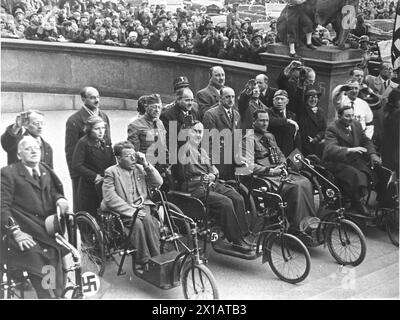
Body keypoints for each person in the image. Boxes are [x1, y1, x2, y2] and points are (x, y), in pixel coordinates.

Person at [1, 136, 70, 298]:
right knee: (39, 255)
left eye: (36, 148)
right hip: (22, 231)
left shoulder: (45, 169)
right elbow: (1, 206)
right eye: (28, 149)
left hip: (44, 229)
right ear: (19, 155)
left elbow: (52, 191)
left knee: (56, 253)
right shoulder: (8, 173)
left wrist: (59, 198)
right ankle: (48, 295)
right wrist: (16, 232)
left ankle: (54, 292)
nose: (33, 151)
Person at [178, 121, 252, 253]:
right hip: (195, 188)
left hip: (210, 184)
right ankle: (236, 240)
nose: (198, 135)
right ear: (188, 132)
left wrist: (212, 174)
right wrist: (206, 176)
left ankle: (243, 234)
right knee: (226, 202)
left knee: (237, 197)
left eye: (200, 132)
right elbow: (184, 175)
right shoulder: (184, 151)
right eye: (195, 131)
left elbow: (213, 170)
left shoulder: (202, 150)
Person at [240, 110, 319, 233]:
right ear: (254, 122)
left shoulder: (270, 136)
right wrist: (271, 171)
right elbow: (248, 166)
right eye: (261, 120)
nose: (265, 123)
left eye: (266, 120)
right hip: (265, 176)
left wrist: (283, 164)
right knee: (296, 187)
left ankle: (309, 224)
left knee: (305, 182)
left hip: (280, 171)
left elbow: (280, 153)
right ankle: (296, 228)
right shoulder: (248, 139)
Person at [101, 141, 162, 268]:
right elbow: (110, 198)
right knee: (137, 223)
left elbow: (158, 182)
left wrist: (146, 163)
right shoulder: (111, 172)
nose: (134, 159)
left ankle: (157, 258)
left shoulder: (140, 168)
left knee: (149, 221)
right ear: (118, 158)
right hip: (124, 211)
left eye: (135, 155)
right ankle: (143, 260)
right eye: (129, 156)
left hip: (142, 207)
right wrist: (131, 211)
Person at [323, 105, 381, 216]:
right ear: (339, 116)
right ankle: (357, 202)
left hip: (352, 160)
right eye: (347, 116)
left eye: (352, 115)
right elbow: (330, 149)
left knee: (369, 172)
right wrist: (350, 149)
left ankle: (360, 199)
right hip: (335, 162)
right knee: (355, 175)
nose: (351, 118)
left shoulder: (356, 125)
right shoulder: (332, 128)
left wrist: (372, 154)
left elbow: (366, 141)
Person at [65, 86, 111, 211]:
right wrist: (75, 176)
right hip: (84, 173)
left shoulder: (104, 116)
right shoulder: (74, 121)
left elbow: (108, 143)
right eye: (92, 98)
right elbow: (70, 152)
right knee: (85, 207)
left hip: (102, 170)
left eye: (98, 97)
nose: (97, 100)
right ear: (83, 99)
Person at [71, 115, 116, 216]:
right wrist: (95, 176)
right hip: (89, 186)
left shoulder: (106, 141)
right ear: (90, 129)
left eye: (103, 128)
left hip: (106, 182)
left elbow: (112, 159)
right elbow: (77, 165)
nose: (101, 131)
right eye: (97, 129)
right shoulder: (83, 143)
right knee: (92, 213)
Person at [203, 87, 241, 180]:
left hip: (233, 161)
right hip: (219, 161)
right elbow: (209, 142)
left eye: (233, 97)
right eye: (227, 97)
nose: (231, 100)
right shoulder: (211, 114)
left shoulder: (236, 114)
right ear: (220, 98)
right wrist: (211, 165)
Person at [127, 94, 167, 164]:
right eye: (153, 107)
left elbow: (163, 145)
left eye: (159, 107)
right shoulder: (135, 125)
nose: (157, 110)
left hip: (162, 164)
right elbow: (134, 151)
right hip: (145, 165)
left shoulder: (160, 123)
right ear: (146, 107)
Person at [267, 89, 302, 157]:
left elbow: (297, 137)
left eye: (282, 99)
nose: (279, 101)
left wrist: (298, 154)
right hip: (274, 152)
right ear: (273, 101)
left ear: (287, 101)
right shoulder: (268, 112)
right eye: (277, 99)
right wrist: (287, 121)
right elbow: (272, 121)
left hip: (289, 152)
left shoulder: (292, 115)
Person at [297, 88, 327, 158]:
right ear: (306, 99)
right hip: (305, 144)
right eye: (311, 97)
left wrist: (317, 138)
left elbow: (324, 129)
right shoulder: (302, 110)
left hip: (317, 143)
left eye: (315, 97)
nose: (313, 100)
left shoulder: (320, 111)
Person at [381, 88, 400, 175]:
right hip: (393, 151)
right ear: (394, 101)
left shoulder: (388, 110)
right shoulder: (395, 114)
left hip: (390, 150)